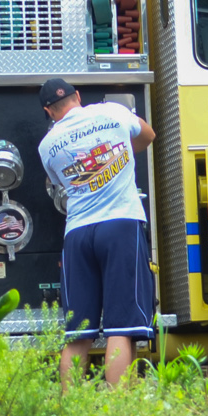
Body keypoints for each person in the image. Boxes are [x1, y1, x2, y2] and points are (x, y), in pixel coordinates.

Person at [37, 78, 157, 386]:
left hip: (77, 234)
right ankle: (119, 411)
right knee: (121, 327)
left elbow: (61, 185)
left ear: (49, 112)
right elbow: (148, 135)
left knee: (78, 333)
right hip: (120, 225)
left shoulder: (47, 145)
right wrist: (118, 156)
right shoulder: (111, 112)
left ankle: (71, 409)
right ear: (78, 96)